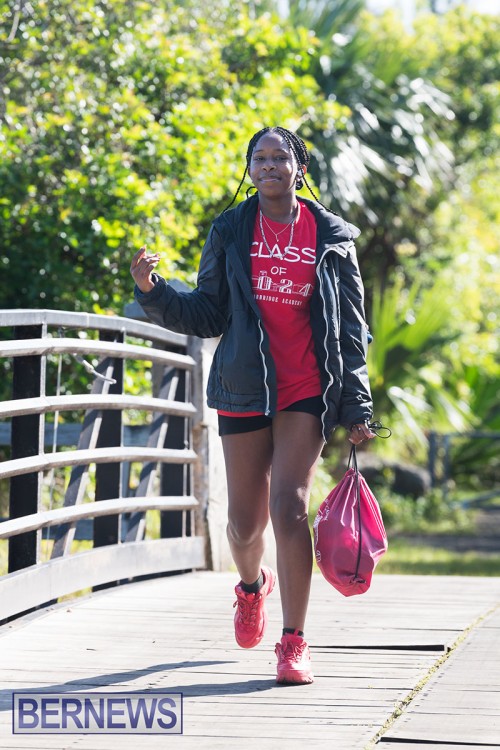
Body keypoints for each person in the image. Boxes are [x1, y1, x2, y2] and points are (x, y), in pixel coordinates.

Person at [130, 126, 375, 685]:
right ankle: (251, 586)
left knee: (289, 509)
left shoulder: (332, 236)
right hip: (243, 385)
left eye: (279, 156)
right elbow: (209, 313)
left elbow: (351, 327)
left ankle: (294, 641)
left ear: (299, 168)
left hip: (306, 389)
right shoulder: (231, 229)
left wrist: (356, 403)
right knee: (244, 526)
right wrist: (153, 292)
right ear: (249, 168)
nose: (268, 165)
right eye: (258, 158)